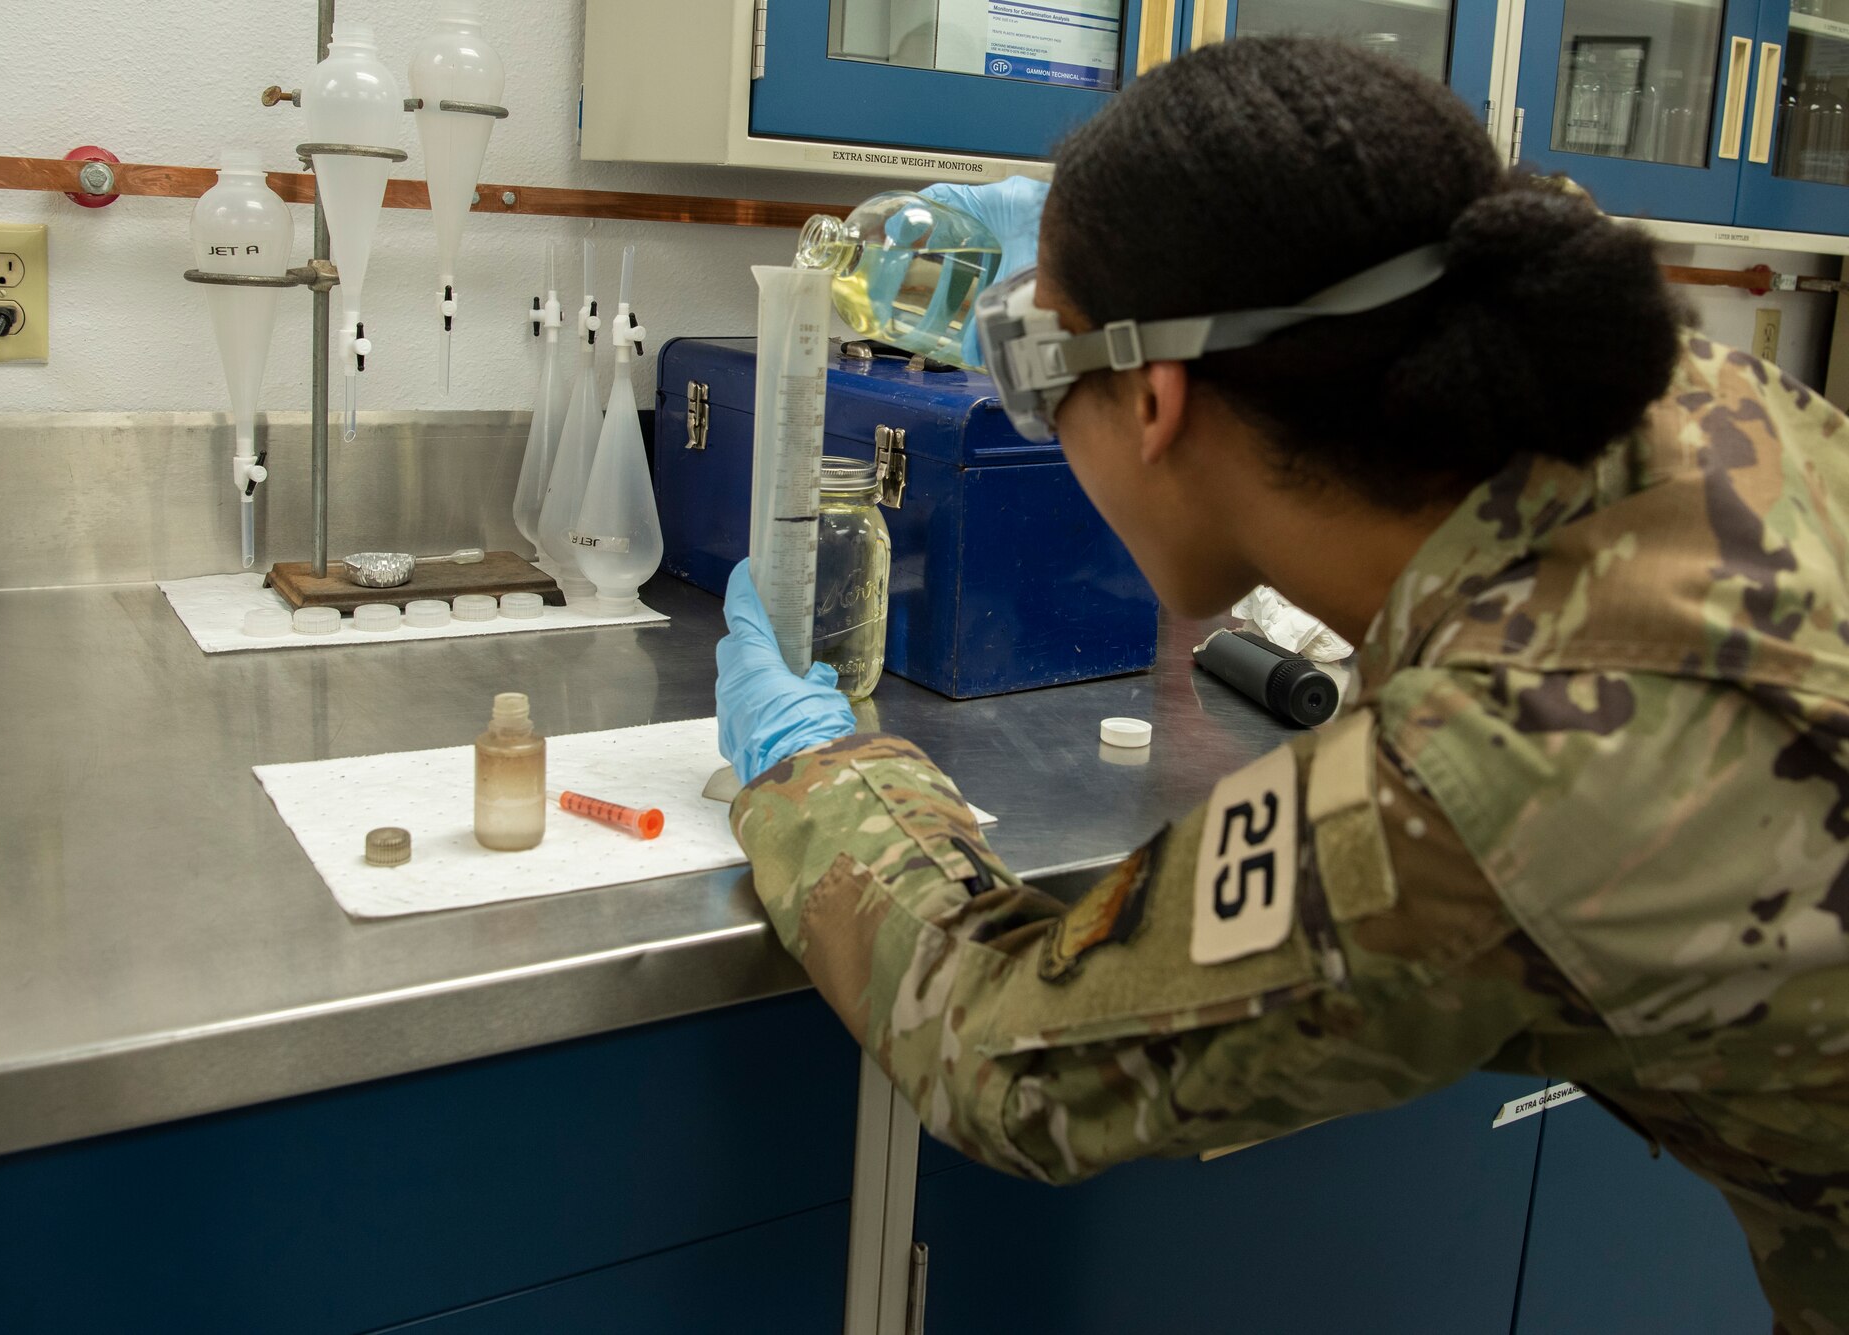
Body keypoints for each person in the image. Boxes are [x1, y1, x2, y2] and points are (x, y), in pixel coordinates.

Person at [715, 36, 1849, 1331]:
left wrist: (814, 767)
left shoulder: (1472, 787)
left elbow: (1003, 1051)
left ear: (1155, 402)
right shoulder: (1709, 406)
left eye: (1035, 372)